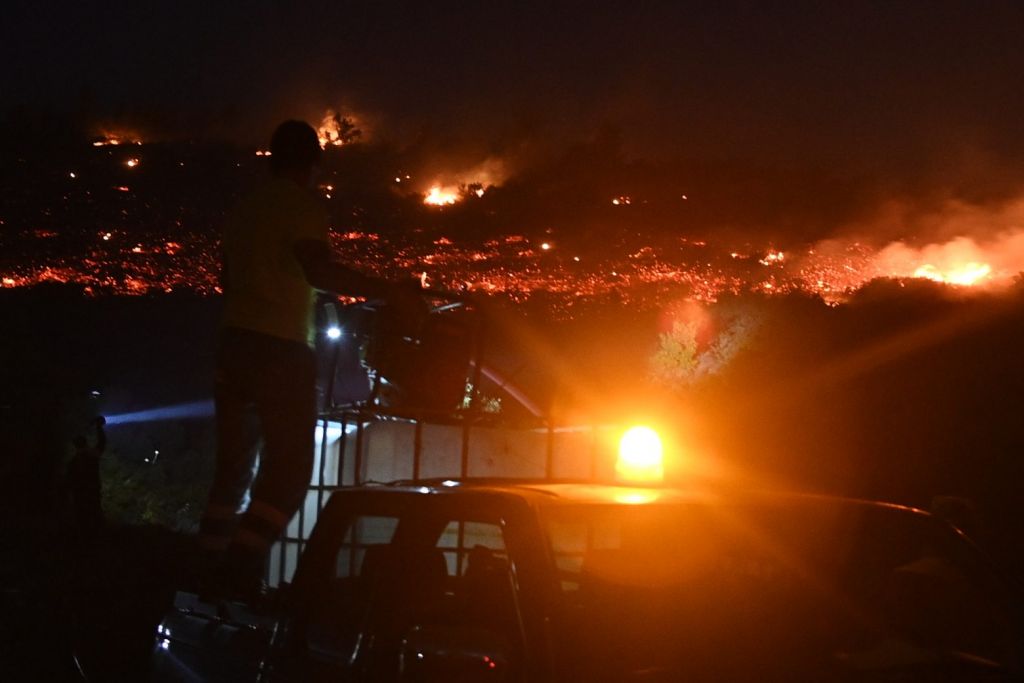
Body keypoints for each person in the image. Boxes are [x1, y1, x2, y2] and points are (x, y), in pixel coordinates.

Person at [198, 120, 421, 597]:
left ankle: (205, 572)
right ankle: (240, 571)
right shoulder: (300, 205)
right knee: (291, 470)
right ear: (313, 164)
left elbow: (227, 282)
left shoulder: (244, 210)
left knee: (233, 469)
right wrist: (391, 293)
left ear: (273, 157)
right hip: (279, 350)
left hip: (232, 346)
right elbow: (317, 269)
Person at [69, 416, 106, 535]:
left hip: (80, 494)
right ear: (85, 443)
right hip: (93, 491)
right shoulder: (92, 456)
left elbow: (69, 480)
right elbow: (102, 443)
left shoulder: (74, 461)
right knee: (94, 517)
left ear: (75, 446)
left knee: (82, 519)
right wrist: (99, 427)